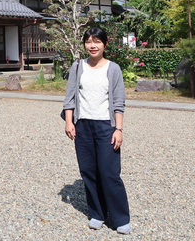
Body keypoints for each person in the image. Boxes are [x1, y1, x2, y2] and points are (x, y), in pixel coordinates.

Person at [63, 27, 131, 234]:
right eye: (88, 41)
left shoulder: (113, 68)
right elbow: (70, 97)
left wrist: (118, 129)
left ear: (105, 44)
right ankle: (97, 214)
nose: (92, 45)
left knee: (110, 173)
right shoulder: (77, 66)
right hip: (83, 125)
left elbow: (118, 102)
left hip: (106, 126)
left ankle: (119, 217)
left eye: (97, 41)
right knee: (89, 172)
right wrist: (69, 122)